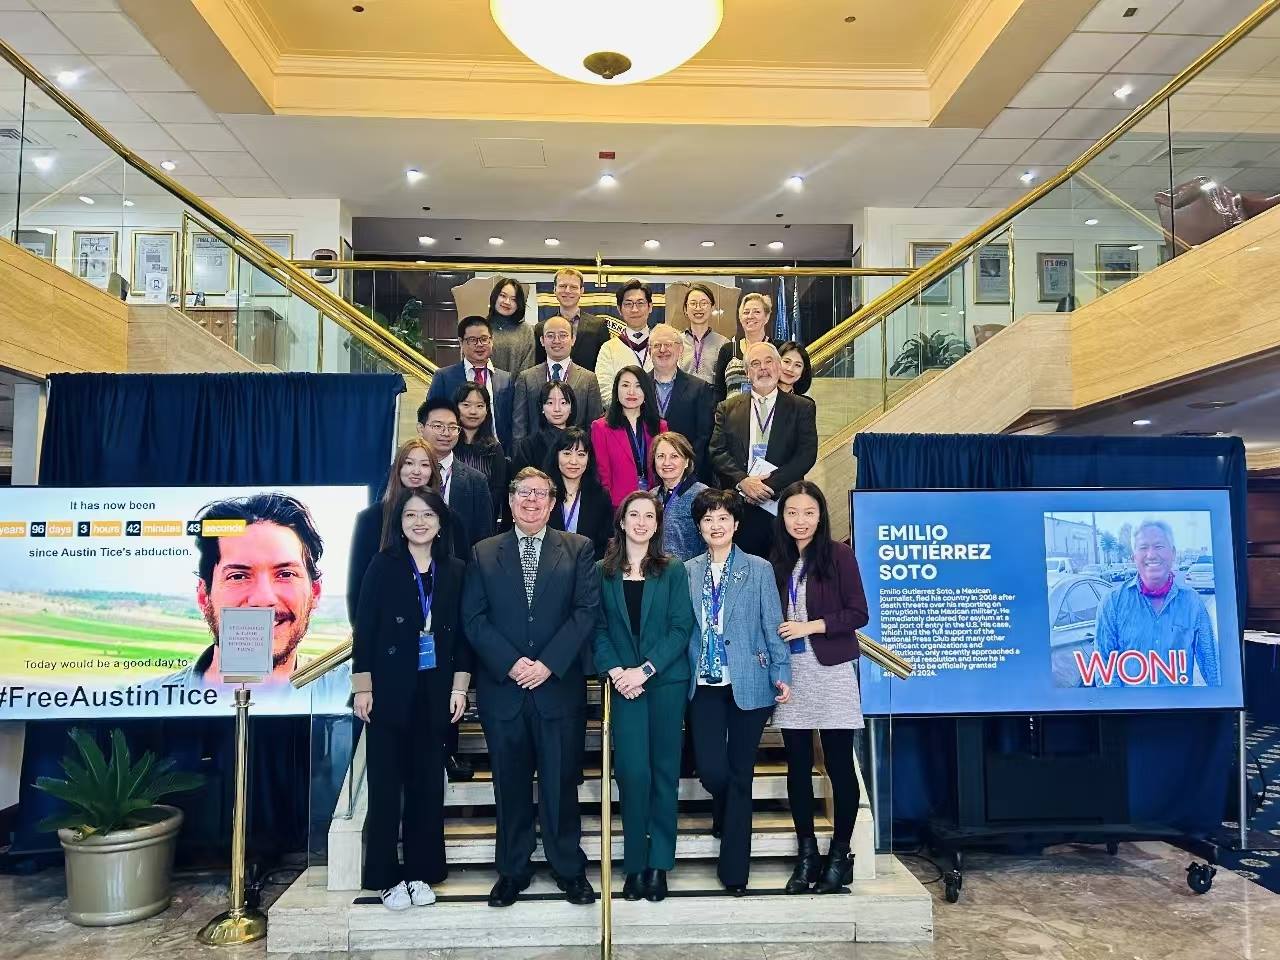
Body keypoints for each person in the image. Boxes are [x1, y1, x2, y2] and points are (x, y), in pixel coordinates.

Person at [463, 468, 600, 908]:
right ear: (510, 499)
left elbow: (585, 612)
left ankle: (568, 868)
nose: (532, 500)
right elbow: (473, 618)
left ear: (553, 502)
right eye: (523, 493)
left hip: (557, 689)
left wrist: (547, 664)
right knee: (509, 784)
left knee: (561, 783)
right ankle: (512, 869)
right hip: (503, 690)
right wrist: (512, 663)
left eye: (541, 494)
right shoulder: (483, 552)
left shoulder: (578, 548)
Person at [352, 488, 471, 909]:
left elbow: (464, 635)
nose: (419, 522)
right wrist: (363, 687)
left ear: (440, 524)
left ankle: (423, 871)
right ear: (400, 524)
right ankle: (385, 876)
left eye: (427, 515)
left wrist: (460, 687)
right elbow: (365, 627)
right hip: (388, 691)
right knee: (386, 789)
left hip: (435, 691)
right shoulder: (383, 565)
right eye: (410, 516)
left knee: (427, 788)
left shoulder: (455, 570)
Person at [150, 492, 349, 711]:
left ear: (315, 592)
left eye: (286, 574)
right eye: (238, 576)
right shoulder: (147, 703)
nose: (263, 599)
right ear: (203, 596)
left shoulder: (351, 693)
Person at [684, 488, 790, 894]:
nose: (716, 525)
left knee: (741, 773)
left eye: (723, 518)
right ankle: (725, 811)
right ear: (699, 527)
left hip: (750, 678)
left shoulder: (758, 569)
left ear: (736, 524)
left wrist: (782, 671)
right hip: (704, 682)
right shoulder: (686, 571)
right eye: (708, 519)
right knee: (712, 769)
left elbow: (772, 623)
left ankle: (734, 872)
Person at [594, 491, 694, 902]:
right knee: (632, 774)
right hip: (623, 686)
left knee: (664, 773)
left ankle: (659, 864)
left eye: (648, 516)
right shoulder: (602, 571)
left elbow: (681, 627)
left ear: (657, 524)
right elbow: (598, 628)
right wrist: (618, 672)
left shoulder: (672, 569)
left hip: (665, 683)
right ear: (621, 521)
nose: (640, 522)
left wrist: (645, 670)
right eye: (633, 514)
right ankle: (634, 862)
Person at [769, 481, 869, 895]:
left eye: (808, 512)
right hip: (791, 674)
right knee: (797, 766)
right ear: (783, 516)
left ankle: (840, 855)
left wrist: (810, 626)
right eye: (792, 512)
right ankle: (807, 854)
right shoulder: (776, 560)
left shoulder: (839, 555)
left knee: (839, 765)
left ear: (820, 515)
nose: (800, 521)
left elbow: (858, 613)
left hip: (831, 671)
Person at [709, 342, 818, 558]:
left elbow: (806, 455)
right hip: (741, 506)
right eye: (755, 364)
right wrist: (743, 482)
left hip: (782, 503)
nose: (763, 368)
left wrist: (766, 487)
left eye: (769, 362)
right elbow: (717, 451)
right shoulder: (727, 408)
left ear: (778, 366)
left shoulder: (802, 407)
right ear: (747, 372)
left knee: (783, 570)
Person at [1094, 519, 1220, 686]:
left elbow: (1213, 670)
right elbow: (1105, 674)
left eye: (1159, 546)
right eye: (1143, 547)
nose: (1151, 554)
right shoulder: (1112, 603)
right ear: (1134, 556)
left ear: (1173, 553)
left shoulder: (1192, 603)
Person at [348, 438, 441, 624]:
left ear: (432, 471)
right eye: (409, 463)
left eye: (424, 465)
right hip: (384, 626)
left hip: (435, 625)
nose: (416, 471)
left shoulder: (448, 518)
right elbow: (357, 585)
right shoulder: (370, 519)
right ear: (397, 468)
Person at [417, 397, 495, 548]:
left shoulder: (476, 481)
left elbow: (484, 539)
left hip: (458, 560)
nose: (446, 433)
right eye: (438, 426)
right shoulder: (402, 472)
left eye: (453, 427)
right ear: (421, 428)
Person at [426, 315, 514, 447]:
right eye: (472, 340)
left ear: (492, 340)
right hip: (456, 450)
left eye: (484, 339)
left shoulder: (506, 379)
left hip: (497, 450)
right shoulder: (444, 377)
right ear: (461, 342)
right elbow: (432, 415)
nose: (479, 344)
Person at [512, 316, 604, 441]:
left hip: (575, 450)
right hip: (535, 451)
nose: (556, 341)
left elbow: (594, 426)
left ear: (573, 339)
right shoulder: (526, 378)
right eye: (550, 336)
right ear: (542, 340)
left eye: (563, 335)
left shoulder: (588, 379)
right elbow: (519, 427)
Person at [591, 366, 668, 509]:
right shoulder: (601, 427)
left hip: (654, 502)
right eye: (625, 385)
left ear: (646, 391)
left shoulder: (660, 426)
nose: (631, 392)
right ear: (616, 390)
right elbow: (603, 473)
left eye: (638, 386)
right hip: (618, 505)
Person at [649, 323, 714, 482]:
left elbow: (704, 437)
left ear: (680, 350)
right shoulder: (638, 387)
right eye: (657, 345)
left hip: (688, 476)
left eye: (668, 345)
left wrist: (686, 469)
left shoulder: (699, 388)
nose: (662, 350)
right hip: (647, 476)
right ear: (649, 351)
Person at [546, 426, 613, 559]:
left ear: (589, 459)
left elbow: (605, 543)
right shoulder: (543, 494)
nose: (573, 461)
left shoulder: (601, 497)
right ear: (556, 455)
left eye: (581, 454)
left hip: (589, 566)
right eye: (567, 453)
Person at [533, 267, 611, 371]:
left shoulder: (599, 326)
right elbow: (538, 367)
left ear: (581, 291)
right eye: (563, 286)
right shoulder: (541, 328)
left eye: (573, 287)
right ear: (554, 289)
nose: (567, 291)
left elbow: (605, 366)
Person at [454, 381, 507, 526]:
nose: (473, 411)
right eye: (466, 405)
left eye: (480, 406)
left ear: (487, 410)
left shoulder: (494, 449)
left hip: (483, 523)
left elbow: (497, 493)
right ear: (456, 407)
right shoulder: (447, 446)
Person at [595, 280, 655, 403]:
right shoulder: (608, 349)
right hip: (621, 414)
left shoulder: (663, 345)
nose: (634, 309)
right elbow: (604, 390)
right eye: (628, 304)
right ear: (619, 309)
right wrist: (628, 410)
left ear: (650, 307)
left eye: (640, 303)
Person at [650, 432, 707, 562]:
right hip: (655, 569)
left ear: (686, 462)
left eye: (674, 456)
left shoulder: (702, 495)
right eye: (660, 456)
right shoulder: (651, 496)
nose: (666, 462)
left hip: (689, 571)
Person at [714, 293, 776, 402]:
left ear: (767, 317)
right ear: (740, 318)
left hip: (770, 411)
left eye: (757, 312)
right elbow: (719, 392)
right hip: (733, 412)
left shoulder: (777, 348)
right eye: (746, 312)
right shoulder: (727, 350)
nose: (750, 316)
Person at [509, 380, 577, 476]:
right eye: (550, 403)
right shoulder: (528, 445)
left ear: (571, 407)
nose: (557, 409)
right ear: (542, 407)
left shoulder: (580, 441)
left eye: (563, 402)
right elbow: (519, 479)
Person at [678, 283, 729, 386]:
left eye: (704, 303)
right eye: (693, 303)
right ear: (685, 309)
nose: (698, 308)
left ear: (712, 308)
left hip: (713, 396)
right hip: (682, 395)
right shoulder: (677, 341)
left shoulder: (724, 343)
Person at [486, 277, 536, 375]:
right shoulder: (481, 327)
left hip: (517, 384)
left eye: (513, 299)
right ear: (495, 297)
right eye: (503, 296)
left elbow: (528, 369)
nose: (507, 302)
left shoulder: (526, 330)